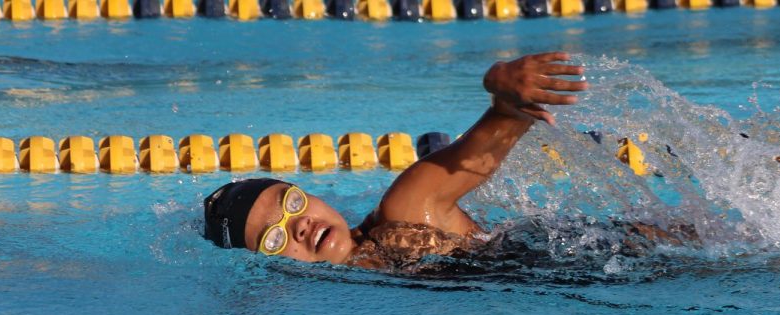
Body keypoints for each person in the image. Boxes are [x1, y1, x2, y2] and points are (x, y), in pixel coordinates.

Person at [203, 52, 589, 270]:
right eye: (274, 238)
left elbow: (493, 136)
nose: (300, 225)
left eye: (292, 203)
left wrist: (504, 96)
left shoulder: (404, 211)